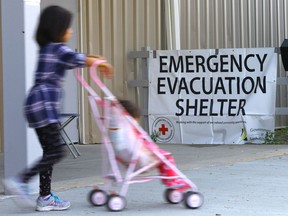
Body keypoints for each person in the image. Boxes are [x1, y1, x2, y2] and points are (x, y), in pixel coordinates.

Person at [3, 5, 113, 212]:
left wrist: (92, 58)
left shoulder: (50, 49)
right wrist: (101, 63)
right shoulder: (57, 49)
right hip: (43, 106)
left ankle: (44, 197)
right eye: (68, 27)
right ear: (57, 28)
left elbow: (74, 58)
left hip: (36, 105)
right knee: (56, 151)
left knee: (49, 151)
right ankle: (22, 180)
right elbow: (77, 59)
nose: (70, 31)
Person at [108, 100, 190, 191]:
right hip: (141, 160)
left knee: (161, 159)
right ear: (132, 117)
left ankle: (168, 179)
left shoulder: (118, 130)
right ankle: (172, 180)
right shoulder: (130, 132)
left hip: (127, 160)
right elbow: (141, 146)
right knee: (166, 157)